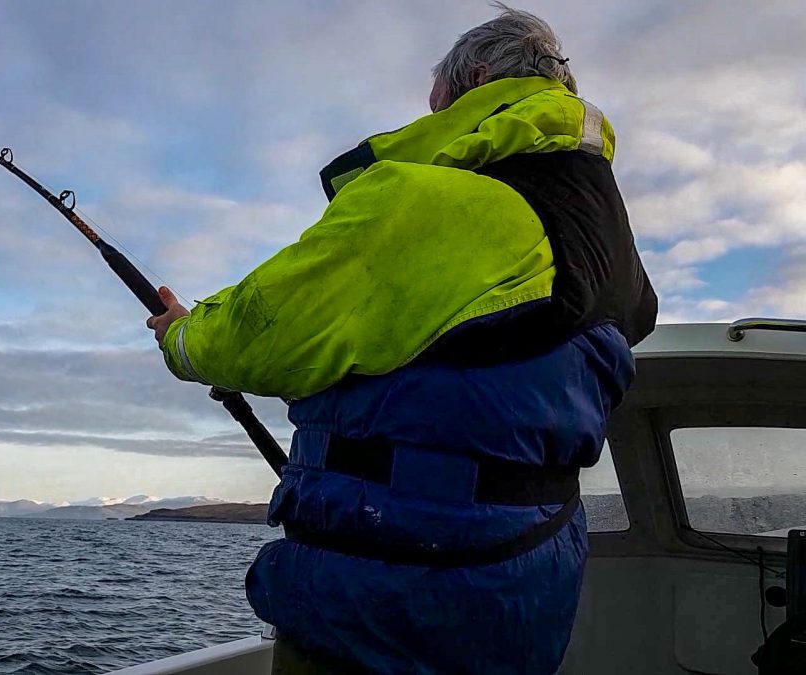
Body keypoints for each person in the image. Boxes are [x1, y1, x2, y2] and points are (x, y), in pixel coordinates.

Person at [145, 5, 657, 673]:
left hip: (388, 606)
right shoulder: (615, 253)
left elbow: (262, 330)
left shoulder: (432, 202)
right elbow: (470, 376)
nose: (428, 110)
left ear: (473, 78)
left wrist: (183, 336)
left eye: (435, 97)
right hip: (525, 596)